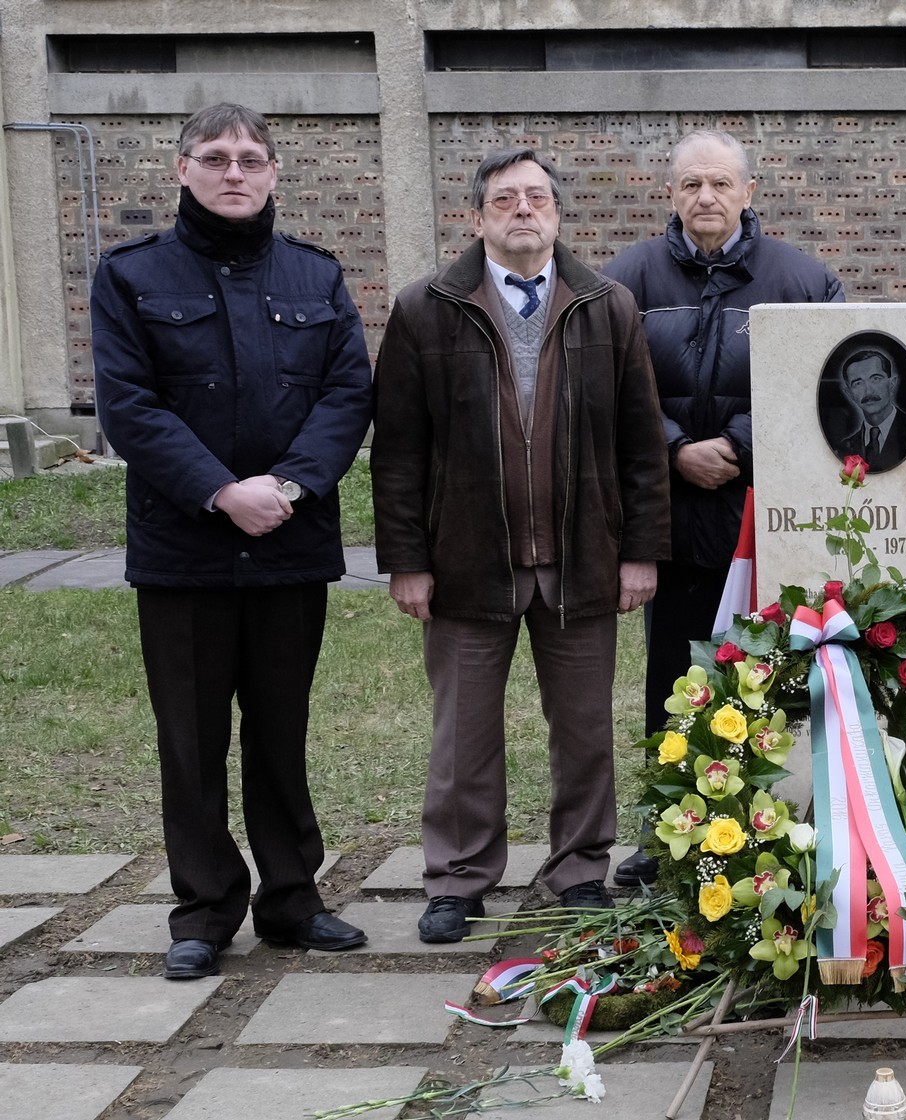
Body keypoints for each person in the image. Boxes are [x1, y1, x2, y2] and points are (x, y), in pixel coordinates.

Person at [90, 102, 372, 977]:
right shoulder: (130, 275)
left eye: (251, 158)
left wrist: (283, 489)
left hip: (289, 542)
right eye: (215, 157)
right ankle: (204, 908)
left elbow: (347, 395)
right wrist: (220, 491)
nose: (234, 172)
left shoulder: (316, 276)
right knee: (191, 738)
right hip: (185, 552)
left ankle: (291, 899)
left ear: (274, 172)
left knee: (281, 733)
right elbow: (128, 405)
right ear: (183, 170)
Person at [372, 148, 671, 943]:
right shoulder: (425, 309)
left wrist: (640, 550)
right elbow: (398, 451)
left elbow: (642, 444)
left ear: (558, 213)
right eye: (505, 199)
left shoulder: (608, 306)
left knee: (585, 732)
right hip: (467, 563)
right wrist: (408, 561)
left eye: (537, 197)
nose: (523, 211)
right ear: (477, 218)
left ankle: (579, 872)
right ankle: (458, 879)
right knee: (463, 735)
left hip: (583, 560)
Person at [601, 128, 842, 888]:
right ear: (670, 193)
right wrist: (675, 447)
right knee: (674, 682)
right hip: (668, 519)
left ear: (748, 191)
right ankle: (670, 829)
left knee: (768, 680)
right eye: (690, 184)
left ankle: (770, 828)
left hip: (764, 520)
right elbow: (604, 387)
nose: (705, 197)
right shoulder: (625, 282)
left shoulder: (803, 281)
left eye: (720, 184)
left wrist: (736, 444)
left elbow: (826, 386)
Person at [824, 346, 906, 472]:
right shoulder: (843, 449)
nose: (868, 391)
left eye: (876, 379)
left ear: (891, 384)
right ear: (849, 393)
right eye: (858, 383)